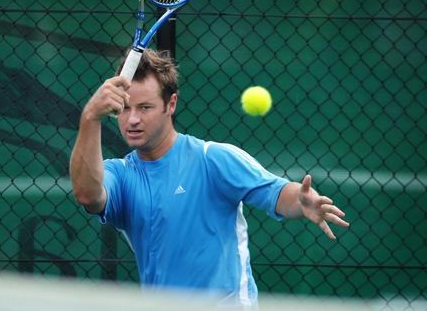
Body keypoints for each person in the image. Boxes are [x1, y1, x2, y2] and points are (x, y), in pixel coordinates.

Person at [69, 48, 350, 306]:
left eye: (145, 108)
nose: (132, 120)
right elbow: (87, 194)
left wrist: (302, 203)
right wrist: (90, 117)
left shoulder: (213, 159)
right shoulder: (121, 175)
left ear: (171, 104)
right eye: (125, 108)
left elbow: (277, 193)